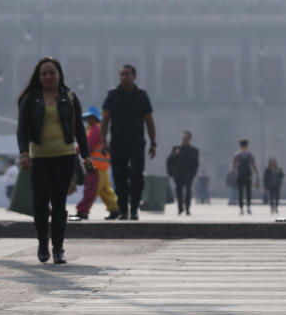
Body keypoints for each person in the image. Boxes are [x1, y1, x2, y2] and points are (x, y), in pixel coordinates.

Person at [16, 57, 93, 264]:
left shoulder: (69, 96)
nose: (48, 76)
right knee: (40, 203)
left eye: (52, 72)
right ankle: (43, 243)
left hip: (65, 156)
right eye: (44, 73)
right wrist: (24, 153)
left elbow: (79, 129)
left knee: (59, 204)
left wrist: (86, 155)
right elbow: (22, 130)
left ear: (59, 74)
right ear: (38, 77)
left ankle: (58, 248)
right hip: (39, 158)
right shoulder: (31, 99)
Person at [101, 64, 156, 220]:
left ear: (134, 76)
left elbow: (149, 121)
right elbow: (105, 120)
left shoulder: (142, 96)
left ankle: (135, 209)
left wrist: (153, 143)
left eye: (128, 74)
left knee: (137, 175)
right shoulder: (112, 95)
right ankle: (124, 210)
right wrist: (104, 142)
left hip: (137, 142)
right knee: (119, 177)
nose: (125, 76)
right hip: (118, 142)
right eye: (122, 74)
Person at [70, 106, 121, 221]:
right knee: (105, 191)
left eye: (90, 118)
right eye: (87, 118)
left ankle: (82, 211)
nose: (88, 120)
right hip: (100, 166)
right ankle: (116, 209)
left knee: (90, 189)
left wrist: (73, 150)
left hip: (95, 167)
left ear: (94, 118)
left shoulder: (95, 130)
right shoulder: (95, 129)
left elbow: (87, 146)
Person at [166, 131, 200, 215]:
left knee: (188, 191)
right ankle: (180, 208)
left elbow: (196, 163)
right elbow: (169, 160)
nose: (184, 139)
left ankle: (187, 208)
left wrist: (193, 173)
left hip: (189, 175)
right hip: (178, 174)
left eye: (186, 138)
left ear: (189, 139)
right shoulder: (176, 148)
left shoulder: (194, 150)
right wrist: (175, 154)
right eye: (183, 138)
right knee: (179, 192)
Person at [232, 139, 259, 215]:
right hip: (248, 176)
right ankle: (248, 207)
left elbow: (233, 166)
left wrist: (238, 165)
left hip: (240, 176)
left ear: (240, 146)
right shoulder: (250, 155)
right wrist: (257, 175)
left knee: (240, 193)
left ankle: (241, 208)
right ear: (247, 145)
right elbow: (253, 165)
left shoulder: (237, 155)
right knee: (248, 193)